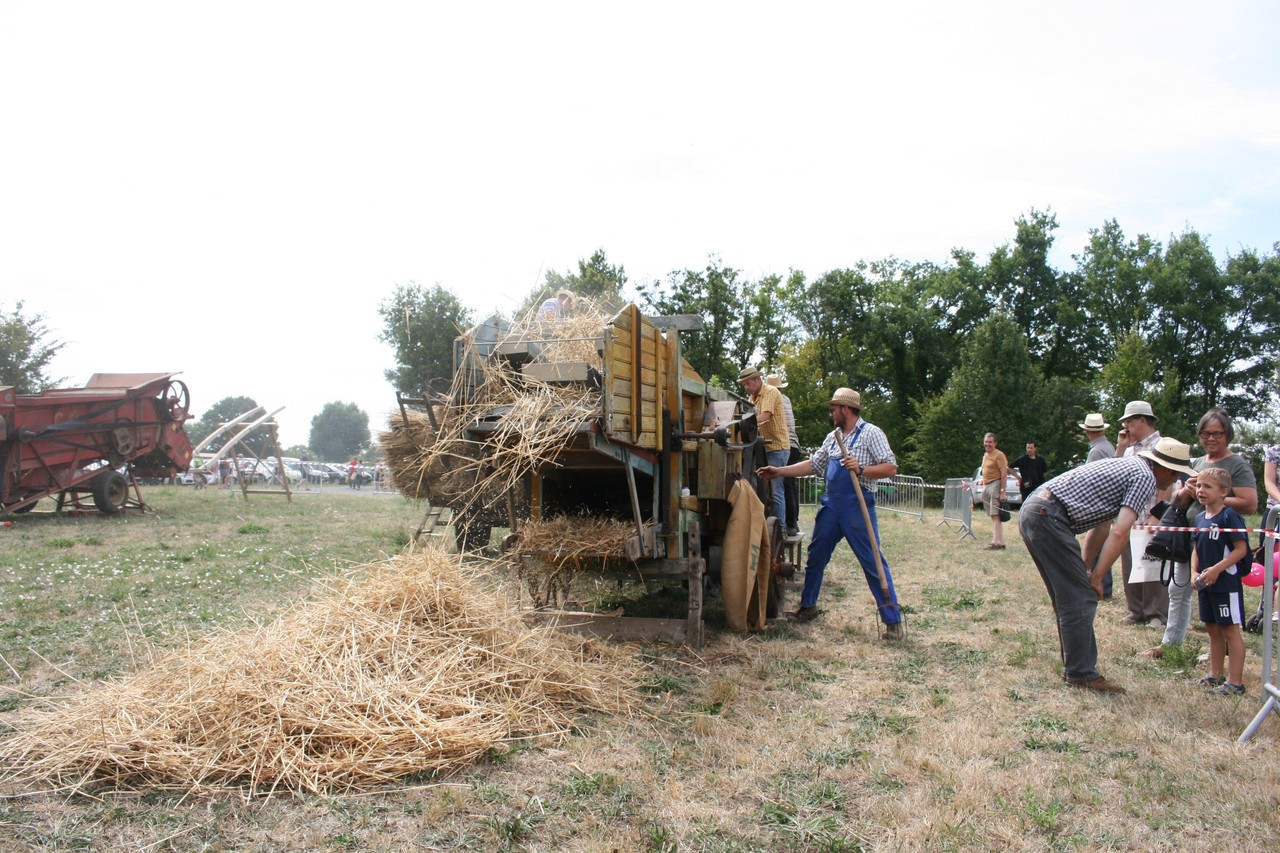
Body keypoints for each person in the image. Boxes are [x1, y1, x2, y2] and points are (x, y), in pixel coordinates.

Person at [1019, 436, 1197, 693]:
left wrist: (1087, 567)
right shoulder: (1145, 478)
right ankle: (1080, 673)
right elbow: (1119, 532)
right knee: (1080, 597)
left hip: (1037, 509)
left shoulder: (1129, 466)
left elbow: (1102, 525)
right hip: (1049, 516)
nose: (1174, 481)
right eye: (1177, 475)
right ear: (1167, 469)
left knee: (1070, 595)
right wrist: (1096, 577)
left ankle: (1076, 668)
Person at [756, 387, 904, 638]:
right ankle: (808, 606)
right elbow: (814, 465)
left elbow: (890, 467)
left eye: (834, 409)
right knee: (816, 555)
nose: (831, 413)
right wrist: (779, 471)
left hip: (857, 506)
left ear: (845, 409)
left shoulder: (871, 433)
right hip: (831, 506)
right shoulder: (833, 436)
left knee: (872, 560)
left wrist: (862, 469)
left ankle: (893, 621)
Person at [1143, 408, 1258, 658]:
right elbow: (1177, 499)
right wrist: (1188, 491)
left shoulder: (1238, 464)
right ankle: (1171, 644)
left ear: (1227, 435)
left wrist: (1215, 498)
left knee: (1217, 593)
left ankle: (1223, 646)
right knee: (1178, 589)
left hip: (1221, 540)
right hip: (1192, 535)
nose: (1211, 439)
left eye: (1217, 433)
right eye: (1205, 434)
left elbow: (1250, 503)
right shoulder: (1195, 463)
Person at [1097, 400, 1167, 623]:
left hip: (1151, 514)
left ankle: (1155, 614)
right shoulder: (1129, 450)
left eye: (1128, 421)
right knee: (1131, 565)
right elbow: (1115, 476)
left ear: (1143, 420)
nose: (1125, 426)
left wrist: (1157, 514)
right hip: (1130, 514)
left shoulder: (1162, 445)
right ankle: (1135, 611)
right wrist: (1120, 447)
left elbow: (1167, 483)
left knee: (1152, 566)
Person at [1187, 467, 1250, 695]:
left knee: (1229, 630)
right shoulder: (1200, 517)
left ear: (1224, 491)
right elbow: (1196, 548)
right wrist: (1195, 573)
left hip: (1226, 584)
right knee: (1212, 628)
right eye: (1199, 486)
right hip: (1206, 584)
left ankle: (1235, 683)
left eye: (1207, 486)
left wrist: (1217, 569)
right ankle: (1215, 676)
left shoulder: (1229, 516)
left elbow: (1241, 549)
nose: (1201, 490)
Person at [738, 366, 790, 525]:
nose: (746, 388)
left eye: (748, 384)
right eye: (744, 385)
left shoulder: (771, 392)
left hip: (777, 448)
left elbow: (765, 416)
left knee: (775, 491)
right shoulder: (753, 399)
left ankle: (780, 531)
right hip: (763, 449)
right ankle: (764, 525)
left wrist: (740, 425)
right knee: (762, 489)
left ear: (757, 379)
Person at [1081, 413, 1118, 596]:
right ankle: (1104, 585)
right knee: (1101, 543)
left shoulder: (1097, 451)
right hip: (1107, 502)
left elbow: (1091, 480)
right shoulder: (1108, 446)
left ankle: (1100, 586)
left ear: (1088, 431)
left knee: (1095, 544)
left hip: (1098, 503)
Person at [767, 374, 802, 536]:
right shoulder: (786, 399)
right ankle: (793, 522)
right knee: (790, 483)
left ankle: (788, 525)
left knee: (783, 484)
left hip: (785, 444)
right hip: (794, 445)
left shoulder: (775, 399)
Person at [976, 432, 1010, 550]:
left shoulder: (999, 455)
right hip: (987, 485)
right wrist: (983, 480)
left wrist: (1002, 491)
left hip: (996, 484)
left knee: (996, 515)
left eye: (990, 442)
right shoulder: (985, 455)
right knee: (992, 515)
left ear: (995, 443)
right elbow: (985, 470)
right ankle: (997, 541)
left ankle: (998, 542)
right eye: (986, 442)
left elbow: (1004, 474)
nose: (987, 444)